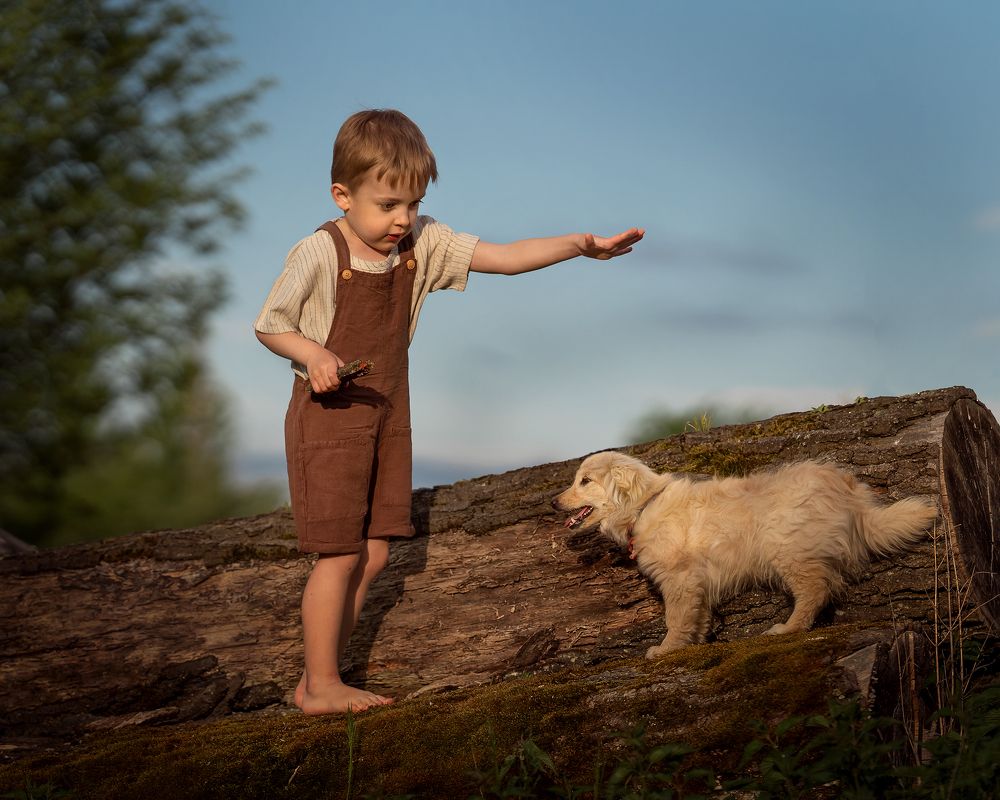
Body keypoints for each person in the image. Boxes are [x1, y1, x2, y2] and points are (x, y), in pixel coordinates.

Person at [254, 109, 643, 715]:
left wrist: (578, 246)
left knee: (376, 551)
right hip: (328, 421)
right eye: (387, 204)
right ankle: (323, 685)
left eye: (412, 202)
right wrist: (313, 353)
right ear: (342, 194)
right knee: (339, 553)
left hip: (387, 415)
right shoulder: (318, 252)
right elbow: (270, 323)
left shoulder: (422, 245)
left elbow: (508, 256)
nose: (401, 218)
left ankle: (315, 677)